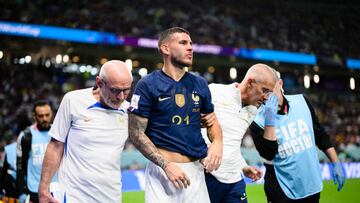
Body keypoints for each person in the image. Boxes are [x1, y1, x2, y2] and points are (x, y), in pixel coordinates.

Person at [128, 27, 223, 203]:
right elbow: (135, 132)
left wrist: (217, 142)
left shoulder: (200, 84)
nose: (190, 48)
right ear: (165, 48)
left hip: (196, 171)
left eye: (191, 44)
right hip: (163, 173)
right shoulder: (147, 85)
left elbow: (212, 121)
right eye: (183, 43)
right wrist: (166, 165)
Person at [38, 60, 133, 203]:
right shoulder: (73, 100)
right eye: (115, 90)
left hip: (111, 196)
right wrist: (43, 188)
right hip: (73, 195)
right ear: (99, 83)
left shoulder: (129, 110)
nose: (121, 97)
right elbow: (55, 146)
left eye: (126, 90)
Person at [250, 75, 346, 203]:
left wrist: (336, 162)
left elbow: (320, 134)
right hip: (281, 189)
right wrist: (270, 121)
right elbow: (268, 153)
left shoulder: (302, 102)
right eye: (263, 91)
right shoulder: (257, 120)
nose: (267, 96)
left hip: (310, 185)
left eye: (270, 90)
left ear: (280, 84)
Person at [201, 64, 278, 203]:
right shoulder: (214, 91)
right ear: (249, 82)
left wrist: (243, 166)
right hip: (206, 178)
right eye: (264, 90)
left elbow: (232, 144)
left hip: (234, 181)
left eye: (269, 93)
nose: (266, 97)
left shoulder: (253, 110)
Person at [16, 100, 54, 203]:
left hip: (56, 188)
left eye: (47, 115)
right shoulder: (26, 135)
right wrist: (21, 193)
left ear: (52, 114)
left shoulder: (58, 133)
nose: (44, 119)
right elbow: (20, 166)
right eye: (41, 116)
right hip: (34, 190)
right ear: (34, 116)